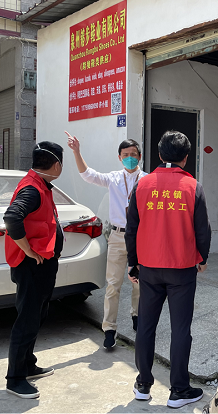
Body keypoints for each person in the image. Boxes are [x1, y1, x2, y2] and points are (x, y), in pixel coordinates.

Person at [126, 130, 212, 409]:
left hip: (149, 268)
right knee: (180, 329)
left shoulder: (142, 185)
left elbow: (131, 228)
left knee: (146, 327)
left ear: (160, 154)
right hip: (181, 269)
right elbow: (203, 230)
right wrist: (202, 258)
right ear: (186, 158)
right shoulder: (193, 187)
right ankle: (179, 390)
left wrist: (133, 263)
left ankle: (143, 385)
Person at [65, 131, 146, 349]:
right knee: (113, 284)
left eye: (133, 154)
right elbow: (87, 175)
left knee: (140, 283)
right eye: (125, 155)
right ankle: (109, 328)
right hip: (118, 237)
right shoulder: (113, 178)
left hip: (141, 238)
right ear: (119, 157)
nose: (130, 158)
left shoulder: (147, 180)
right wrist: (77, 151)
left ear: (140, 157)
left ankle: (137, 316)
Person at [3, 141, 64, 399]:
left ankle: (27, 364)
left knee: (38, 315)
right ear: (57, 165)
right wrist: (27, 250)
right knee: (27, 320)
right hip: (31, 265)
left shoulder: (40, 184)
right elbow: (12, 218)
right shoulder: (32, 188)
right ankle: (15, 379)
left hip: (43, 264)